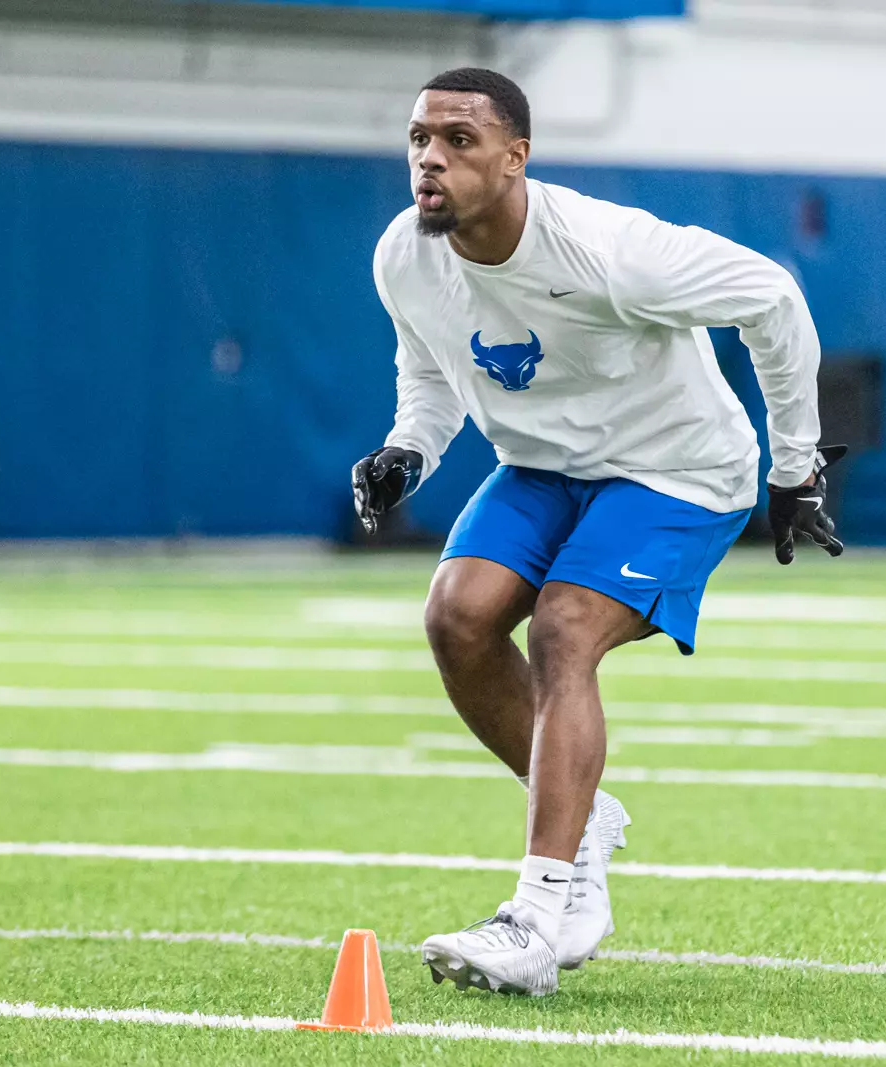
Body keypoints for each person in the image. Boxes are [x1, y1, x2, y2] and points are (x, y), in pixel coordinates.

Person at [351, 68, 845, 997]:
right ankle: (585, 818)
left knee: (566, 626)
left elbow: (772, 297)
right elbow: (429, 369)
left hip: (676, 470)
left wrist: (795, 463)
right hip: (542, 465)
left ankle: (538, 917)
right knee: (456, 617)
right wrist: (406, 451)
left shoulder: (613, 251)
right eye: (420, 137)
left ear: (515, 157)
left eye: (459, 140)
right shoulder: (403, 255)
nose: (431, 157)